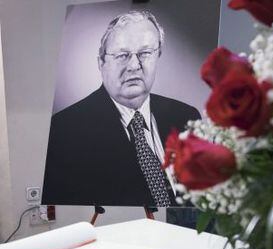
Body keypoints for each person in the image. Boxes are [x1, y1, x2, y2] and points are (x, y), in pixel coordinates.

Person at [42, 11, 201, 207]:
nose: (134, 65)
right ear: (101, 63)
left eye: (145, 53)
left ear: (158, 56)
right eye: (122, 55)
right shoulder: (65, 130)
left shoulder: (187, 117)